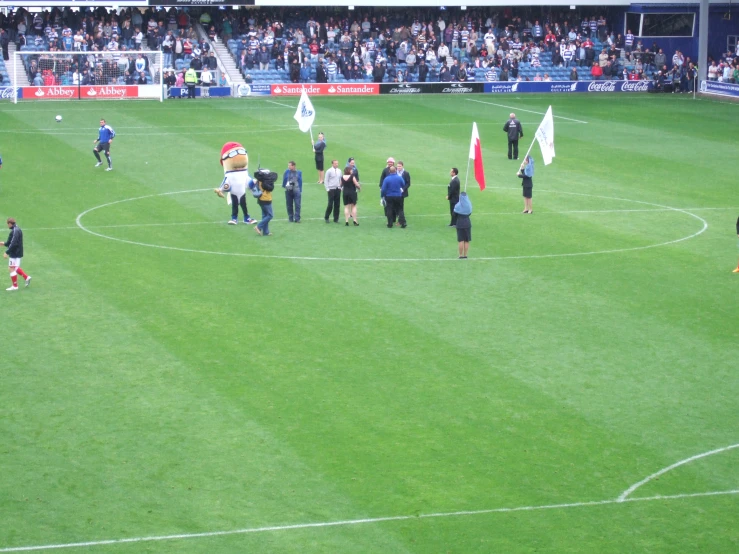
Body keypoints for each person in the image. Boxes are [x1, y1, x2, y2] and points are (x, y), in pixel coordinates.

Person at [2, 217, 31, 291]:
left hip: (15, 253)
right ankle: (26, 277)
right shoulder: (17, 229)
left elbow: (13, 243)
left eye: (7, 224)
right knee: (15, 267)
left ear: (10, 223)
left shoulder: (15, 231)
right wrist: (3, 243)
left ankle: (15, 286)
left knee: (11, 268)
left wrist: (7, 252)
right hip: (17, 252)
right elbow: (10, 242)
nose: (7, 226)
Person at [250, 171, 274, 236]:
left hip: (260, 199)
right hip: (266, 199)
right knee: (270, 215)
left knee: (265, 215)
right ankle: (258, 227)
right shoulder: (265, 182)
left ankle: (266, 232)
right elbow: (270, 188)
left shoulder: (259, 181)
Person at [454, 192, 472, 259]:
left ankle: (460, 255)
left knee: (461, 240)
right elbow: (470, 213)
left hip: (460, 223)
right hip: (467, 222)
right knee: (466, 240)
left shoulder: (458, 206)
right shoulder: (469, 205)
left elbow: (454, 215)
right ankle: (465, 255)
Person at [323, 159, 342, 223]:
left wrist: (340, 187)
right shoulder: (329, 171)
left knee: (337, 204)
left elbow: (340, 179)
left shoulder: (339, 171)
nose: (337, 164)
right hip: (331, 189)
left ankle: (336, 218)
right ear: (332, 164)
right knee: (330, 204)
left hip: (338, 189)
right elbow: (326, 180)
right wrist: (327, 189)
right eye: (335, 163)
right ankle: (326, 217)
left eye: (337, 163)